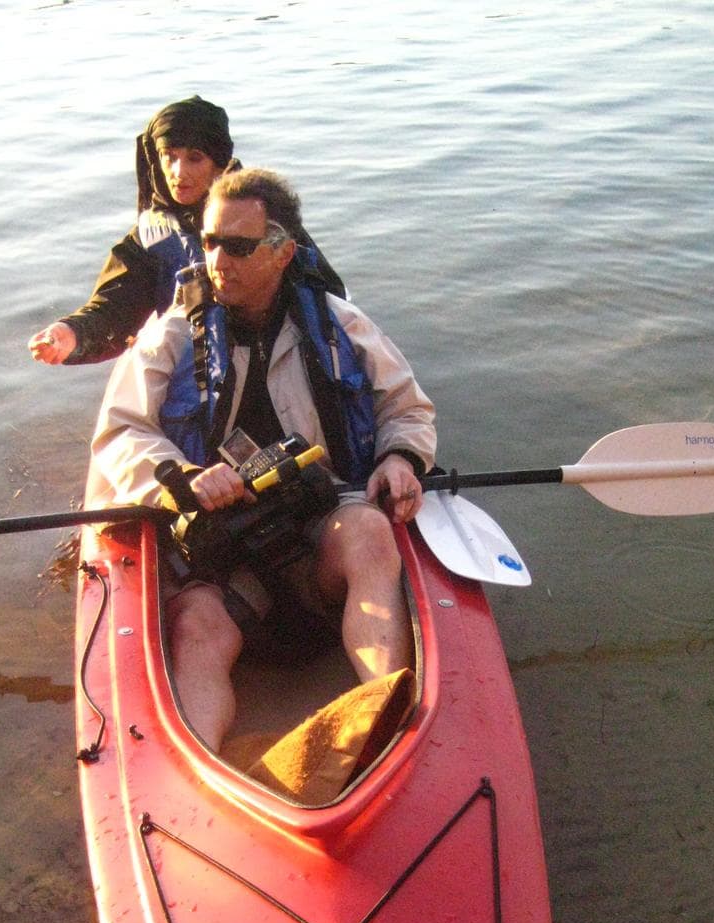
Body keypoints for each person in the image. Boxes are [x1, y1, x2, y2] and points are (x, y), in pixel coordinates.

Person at [91, 168, 436, 752]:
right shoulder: (174, 333)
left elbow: (406, 408)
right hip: (223, 553)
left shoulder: (338, 325)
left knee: (373, 534)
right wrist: (187, 478)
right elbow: (120, 432)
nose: (217, 259)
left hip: (316, 530)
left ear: (283, 253)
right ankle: (201, 776)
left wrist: (401, 458)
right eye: (209, 241)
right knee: (195, 626)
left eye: (238, 246)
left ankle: (388, 728)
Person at [29, 96, 345, 366]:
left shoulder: (263, 215)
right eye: (170, 156)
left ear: (220, 164)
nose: (179, 173)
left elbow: (328, 296)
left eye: (195, 158)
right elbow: (114, 307)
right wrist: (71, 334)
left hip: (275, 358)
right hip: (195, 365)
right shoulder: (152, 237)